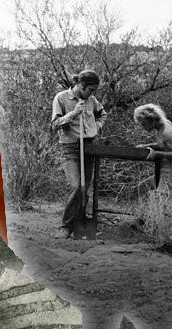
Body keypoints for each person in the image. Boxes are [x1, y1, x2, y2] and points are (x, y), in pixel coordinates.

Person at [50, 70, 107, 239]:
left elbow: (103, 114)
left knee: (85, 189)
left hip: (89, 146)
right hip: (70, 148)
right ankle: (65, 226)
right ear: (80, 86)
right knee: (77, 187)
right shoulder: (61, 98)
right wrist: (74, 113)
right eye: (90, 90)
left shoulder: (91, 100)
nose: (92, 94)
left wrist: (96, 127)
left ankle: (79, 224)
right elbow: (55, 124)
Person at [133, 103, 172, 194]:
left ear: (152, 119)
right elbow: (163, 145)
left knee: (162, 203)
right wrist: (146, 146)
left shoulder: (167, 132)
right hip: (163, 169)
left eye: (144, 124)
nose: (143, 127)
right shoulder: (162, 126)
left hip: (170, 173)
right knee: (142, 188)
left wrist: (157, 154)